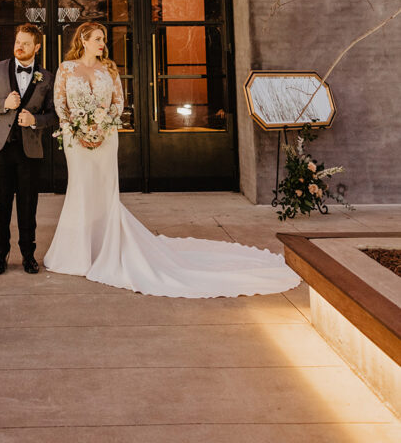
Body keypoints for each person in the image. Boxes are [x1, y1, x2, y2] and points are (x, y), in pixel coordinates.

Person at [44, 21, 301, 298]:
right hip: (76, 140)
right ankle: (77, 254)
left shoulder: (109, 68)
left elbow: (119, 102)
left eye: (103, 38)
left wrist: (103, 124)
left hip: (106, 137)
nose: (102, 43)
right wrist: (78, 128)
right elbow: (60, 104)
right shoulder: (66, 68)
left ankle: (107, 247)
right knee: (81, 191)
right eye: (97, 38)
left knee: (105, 192)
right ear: (83, 40)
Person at [0, 23, 56, 275]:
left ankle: (28, 255)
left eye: (25, 43)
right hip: (0, 149)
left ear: (37, 47)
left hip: (30, 151)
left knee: (28, 205)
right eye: (17, 41)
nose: (19, 47)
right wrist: (4, 104)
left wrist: (36, 121)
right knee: (0, 205)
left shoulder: (47, 77)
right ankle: (0, 255)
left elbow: (54, 115)